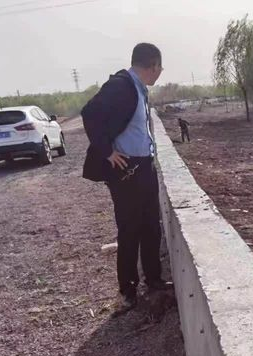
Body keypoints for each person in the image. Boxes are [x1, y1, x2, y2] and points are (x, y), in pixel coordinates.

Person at [81, 43, 172, 314]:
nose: (161, 72)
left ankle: (154, 281)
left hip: (144, 167)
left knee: (151, 227)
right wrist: (107, 151)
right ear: (153, 66)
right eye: (160, 67)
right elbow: (89, 113)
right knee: (130, 230)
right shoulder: (121, 86)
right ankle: (128, 291)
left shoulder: (139, 88)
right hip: (126, 171)